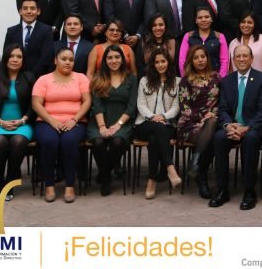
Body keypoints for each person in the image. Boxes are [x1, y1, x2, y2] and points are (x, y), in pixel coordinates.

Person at [210, 45, 262, 210]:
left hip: (254, 127)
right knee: (219, 138)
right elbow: (223, 108)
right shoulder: (227, 80)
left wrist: (247, 128)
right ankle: (222, 189)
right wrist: (228, 125)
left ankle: (249, 191)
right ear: (233, 59)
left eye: (245, 56)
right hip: (233, 126)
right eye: (238, 56)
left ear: (252, 59)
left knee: (250, 140)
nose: (242, 59)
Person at [32, 48, 91, 203]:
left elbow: (87, 101)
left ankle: (70, 185)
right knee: (49, 141)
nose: (68, 62)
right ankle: (49, 185)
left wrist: (74, 119)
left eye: (71, 59)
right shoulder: (44, 79)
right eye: (63, 59)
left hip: (75, 121)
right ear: (55, 60)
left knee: (69, 141)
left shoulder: (81, 78)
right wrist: (52, 121)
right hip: (47, 121)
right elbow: (36, 103)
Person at [0, 44, 35, 201]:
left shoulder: (29, 77)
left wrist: (22, 120)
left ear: (23, 60)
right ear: (5, 58)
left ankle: (10, 181)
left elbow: (34, 106)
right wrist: (0, 122)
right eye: (12, 56)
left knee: (18, 141)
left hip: (22, 125)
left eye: (19, 56)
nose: (15, 59)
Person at [86, 45, 137, 196]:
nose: (114, 61)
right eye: (110, 58)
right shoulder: (98, 78)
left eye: (117, 57)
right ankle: (106, 176)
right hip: (100, 120)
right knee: (98, 142)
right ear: (105, 60)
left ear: (122, 59)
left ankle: (104, 174)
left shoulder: (132, 78)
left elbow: (132, 106)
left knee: (117, 142)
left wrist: (118, 125)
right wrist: (102, 126)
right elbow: (96, 105)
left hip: (123, 120)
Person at [134, 49, 182, 199]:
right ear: (152, 64)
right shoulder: (144, 81)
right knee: (157, 128)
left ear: (168, 63)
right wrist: (153, 116)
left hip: (167, 124)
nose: (160, 65)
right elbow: (141, 104)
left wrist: (163, 116)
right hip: (144, 123)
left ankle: (151, 180)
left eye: (163, 61)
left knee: (155, 138)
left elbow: (176, 106)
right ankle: (170, 168)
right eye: (157, 62)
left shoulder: (177, 81)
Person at [177, 45, 221, 199]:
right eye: (196, 58)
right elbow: (184, 108)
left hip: (212, 121)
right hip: (190, 123)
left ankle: (197, 168)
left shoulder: (216, 77)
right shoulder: (186, 80)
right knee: (211, 138)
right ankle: (200, 175)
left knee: (213, 127)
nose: (200, 60)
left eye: (203, 56)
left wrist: (212, 114)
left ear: (207, 58)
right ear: (191, 61)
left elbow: (223, 101)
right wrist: (202, 118)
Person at [4, 0, 54, 78]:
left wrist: (31, 77)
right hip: (15, 77)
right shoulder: (11, 31)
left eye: (32, 8)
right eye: (25, 8)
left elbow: (46, 57)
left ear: (38, 11)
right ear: (20, 11)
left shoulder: (46, 30)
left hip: (38, 78)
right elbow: (6, 56)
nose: (29, 11)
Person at [178, 7, 228, 78]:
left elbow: (224, 61)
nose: (203, 20)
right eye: (200, 18)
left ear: (211, 19)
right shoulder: (188, 36)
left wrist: (220, 79)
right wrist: (186, 78)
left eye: (207, 17)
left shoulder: (220, 37)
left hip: (215, 79)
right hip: (193, 79)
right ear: (196, 20)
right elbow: (182, 60)